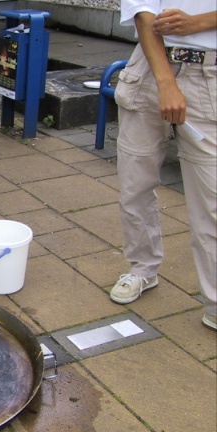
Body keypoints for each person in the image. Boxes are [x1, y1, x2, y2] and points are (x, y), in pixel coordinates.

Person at [110, 1, 216, 331]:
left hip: (209, 74)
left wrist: (200, 22)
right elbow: (143, 13)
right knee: (135, 185)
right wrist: (166, 82)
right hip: (148, 69)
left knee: (211, 199)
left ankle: (215, 302)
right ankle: (142, 269)